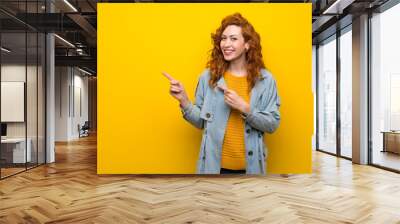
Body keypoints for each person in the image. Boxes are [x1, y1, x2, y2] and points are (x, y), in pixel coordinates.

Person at [162, 13, 280, 175]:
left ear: (247, 44)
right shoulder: (208, 77)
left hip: (251, 170)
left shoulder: (266, 80)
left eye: (233, 38)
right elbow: (201, 123)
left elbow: (272, 124)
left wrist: (245, 108)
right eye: (223, 38)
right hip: (213, 169)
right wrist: (184, 100)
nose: (226, 44)